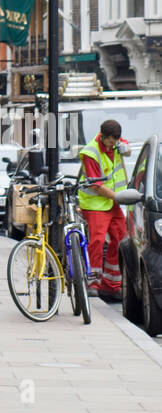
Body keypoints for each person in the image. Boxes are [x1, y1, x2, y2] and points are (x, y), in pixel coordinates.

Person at [77, 118, 129, 303]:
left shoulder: (115, 142)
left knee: (121, 238)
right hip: (95, 204)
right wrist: (117, 197)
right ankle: (93, 283)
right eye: (110, 142)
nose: (113, 145)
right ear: (102, 136)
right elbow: (96, 185)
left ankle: (111, 284)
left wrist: (126, 149)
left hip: (113, 203)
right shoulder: (90, 153)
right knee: (97, 242)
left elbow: (127, 149)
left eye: (116, 142)